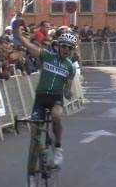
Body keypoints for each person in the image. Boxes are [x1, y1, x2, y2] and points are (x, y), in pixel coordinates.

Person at [13, 21, 77, 170]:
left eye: (70, 48)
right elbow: (28, 45)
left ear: (72, 50)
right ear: (59, 46)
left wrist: (68, 92)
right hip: (41, 98)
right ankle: (37, 153)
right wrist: (18, 33)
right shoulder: (47, 56)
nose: (66, 49)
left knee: (56, 116)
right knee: (35, 128)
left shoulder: (70, 67)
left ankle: (58, 147)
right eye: (64, 46)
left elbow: (67, 88)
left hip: (56, 99)